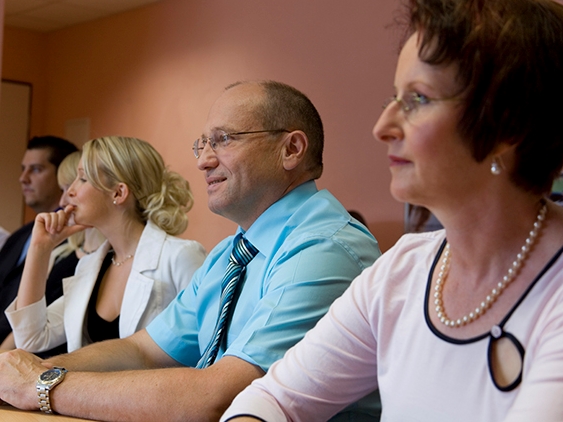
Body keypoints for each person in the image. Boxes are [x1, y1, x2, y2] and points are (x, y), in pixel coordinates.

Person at [221, 1, 563, 421]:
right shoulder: (402, 269)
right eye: (394, 97)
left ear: (508, 125)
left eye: (418, 99)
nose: (381, 126)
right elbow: (272, 398)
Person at [0, 81, 380, 420]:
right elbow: (144, 351)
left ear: (292, 149)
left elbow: (219, 396)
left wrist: (43, 385)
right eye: (203, 144)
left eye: (224, 140)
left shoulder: (322, 248)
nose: (203, 161)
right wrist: (36, 370)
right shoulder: (230, 254)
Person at [3, 136, 206, 355]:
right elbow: (30, 339)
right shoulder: (90, 267)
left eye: (82, 178)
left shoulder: (180, 256)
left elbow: (208, 351)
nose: (68, 193)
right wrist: (39, 249)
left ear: (118, 193)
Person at [0, 151, 106, 353]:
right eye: (64, 188)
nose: (65, 198)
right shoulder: (63, 254)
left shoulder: (102, 259)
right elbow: (28, 335)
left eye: (80, 181)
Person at [0, 136, 78, 344]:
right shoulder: (19, 236)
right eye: (23, 169)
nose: (23, 178)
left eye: (35, 169)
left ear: (64, 177)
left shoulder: (76, 243)